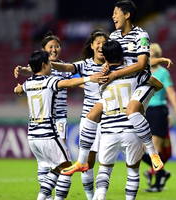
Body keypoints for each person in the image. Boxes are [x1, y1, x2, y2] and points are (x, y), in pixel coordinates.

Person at [61, 0, 174, 176]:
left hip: (140, 82)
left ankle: (153, 153)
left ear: (127, 15)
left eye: (116, 12)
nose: (113, 16)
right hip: (120, 84)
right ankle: (81, 162)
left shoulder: (141, 35)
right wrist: (106, 67)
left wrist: (114, 74)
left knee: (132, 111)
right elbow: (110, 59)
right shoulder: (113, 36)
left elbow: (142, 63)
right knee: (91, 115)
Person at [13, 50, 105, 200]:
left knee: (56, 168)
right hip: (48, 134)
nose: (51, 66)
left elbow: (18, 90)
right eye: (49, 63)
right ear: (43, 65)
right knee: (67, 168)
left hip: (32, 137)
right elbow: (69, 83)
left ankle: (43, 197)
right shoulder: (49, 81)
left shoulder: (28, 83)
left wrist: (16, 89)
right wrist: (90, 79)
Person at [50, 28, 109, 200]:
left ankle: (101, 193)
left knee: (105, 161)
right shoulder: (85, 65)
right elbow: (68, 67)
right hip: (89, 120)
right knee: (88, 164)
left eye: (104, 44)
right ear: (92, 46)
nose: (101, 46)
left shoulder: (114, 65)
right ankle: (92, 197)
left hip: (109, 119)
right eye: (98, 43)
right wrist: (49, 62)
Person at [14, 31, 73, 200]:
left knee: (59, 158)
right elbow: (29, 72)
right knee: (54, 162)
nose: (54, 49)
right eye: (50, 47)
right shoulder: (41, 68)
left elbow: (75, 79)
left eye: (57, 46)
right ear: (44, 50)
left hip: (59, 117)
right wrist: (22, 70)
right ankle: (46, 195)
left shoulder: (64, 67)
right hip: (43, 119)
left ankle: (46, 194)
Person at [92, 40, 144, 200]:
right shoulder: (135, 74)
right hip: (131, 129)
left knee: (104, 171)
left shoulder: (101, 80)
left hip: (108, 131)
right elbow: (153, 81)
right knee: (133, 171)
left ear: (105, 58)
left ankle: (99, 196)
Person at [142, 43, 176, 192]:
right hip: (144, 111)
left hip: (158, 111)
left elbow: (171, 93)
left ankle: (157, 184)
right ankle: (162, 173)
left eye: (154, 56)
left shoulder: (163, 73)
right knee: (140, 151)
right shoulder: (142, 71)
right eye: (149, 55)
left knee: (155, 150)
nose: (151, 58)